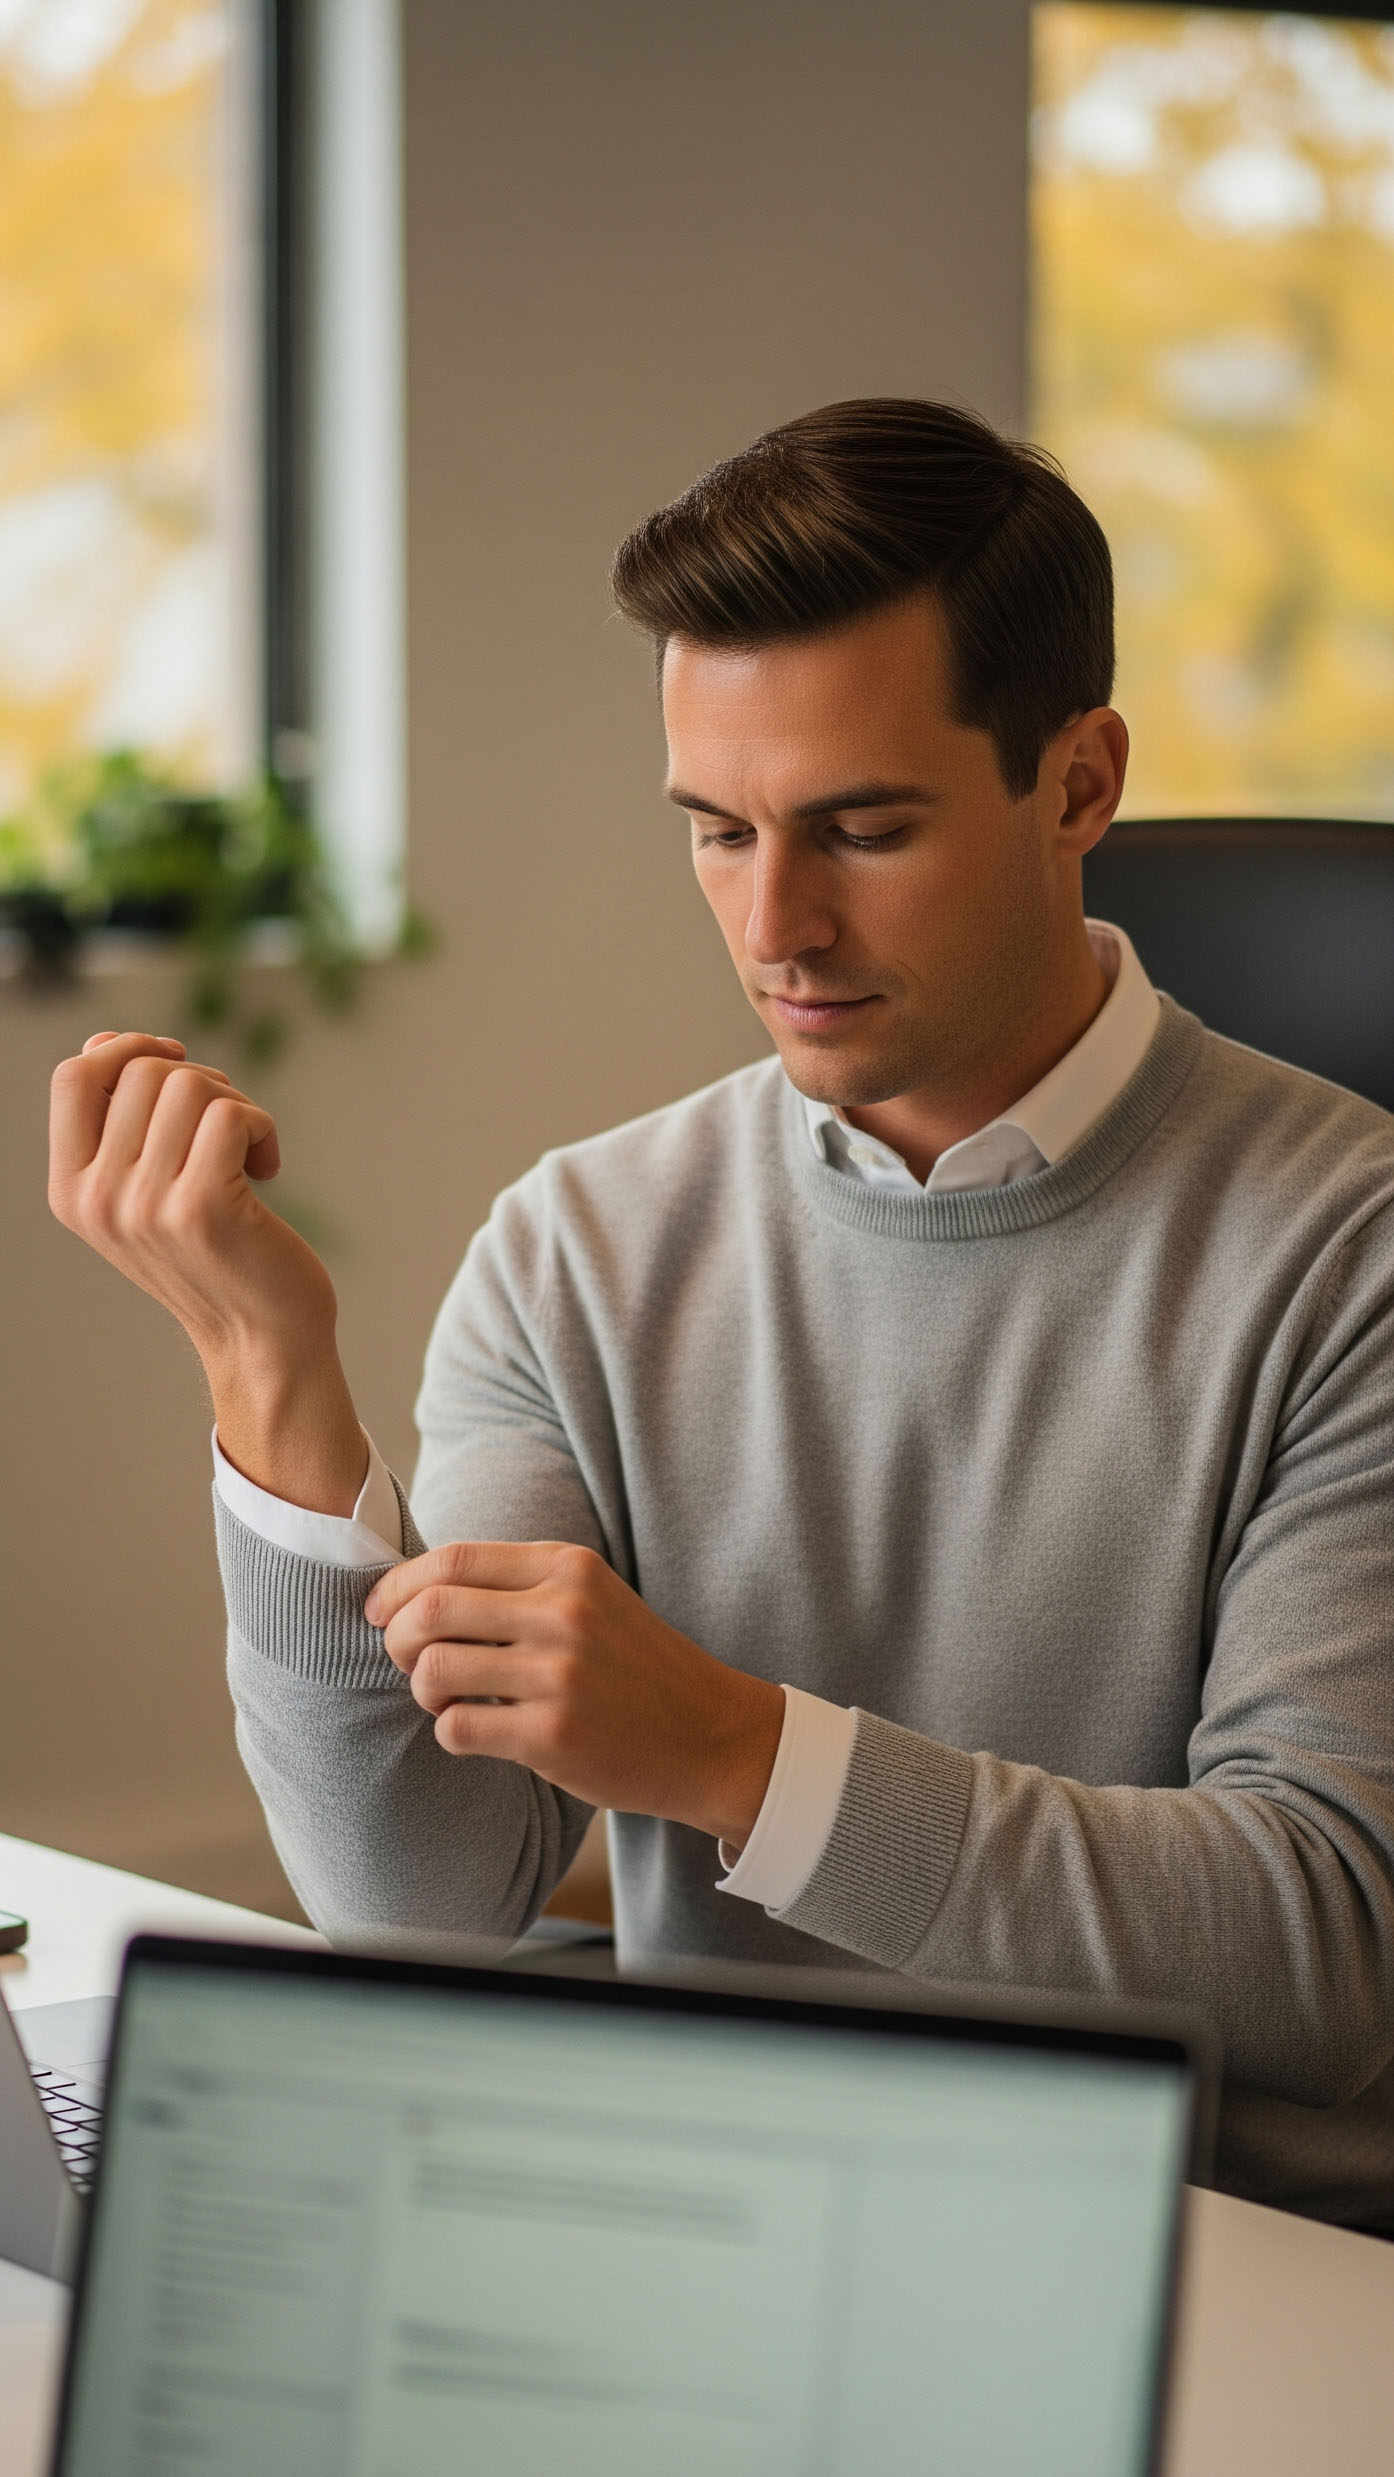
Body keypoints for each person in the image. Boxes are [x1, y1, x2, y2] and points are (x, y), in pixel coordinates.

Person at [48, 400, 1394, 2229]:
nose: (777, 926)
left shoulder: (1348, 1252)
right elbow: (423, 1896)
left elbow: (1318, 1948)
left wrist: (737, 1756)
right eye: (716, 830)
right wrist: (268, 1378)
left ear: (1077, 782)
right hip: (716, 2220)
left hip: (1201, 2248)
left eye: (860, 827)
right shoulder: (581, 1247)